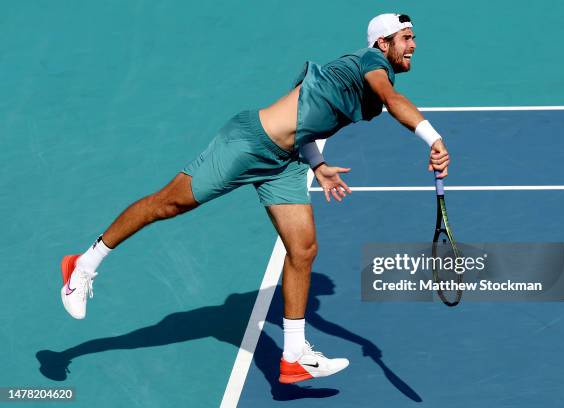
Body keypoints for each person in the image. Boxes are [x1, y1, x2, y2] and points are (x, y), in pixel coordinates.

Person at [59, 13, 450, 384]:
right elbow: (395, 103)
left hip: (286, 162)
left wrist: (317, 164)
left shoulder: (368, 95)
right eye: (406, 38)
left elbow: (312, 120)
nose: (413, 44)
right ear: (383, 43)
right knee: (168, 204)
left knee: (304, 248)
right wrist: (433, 140)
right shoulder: (368, 63)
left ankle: (294, 355)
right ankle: (83, 265)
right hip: (249, 144)